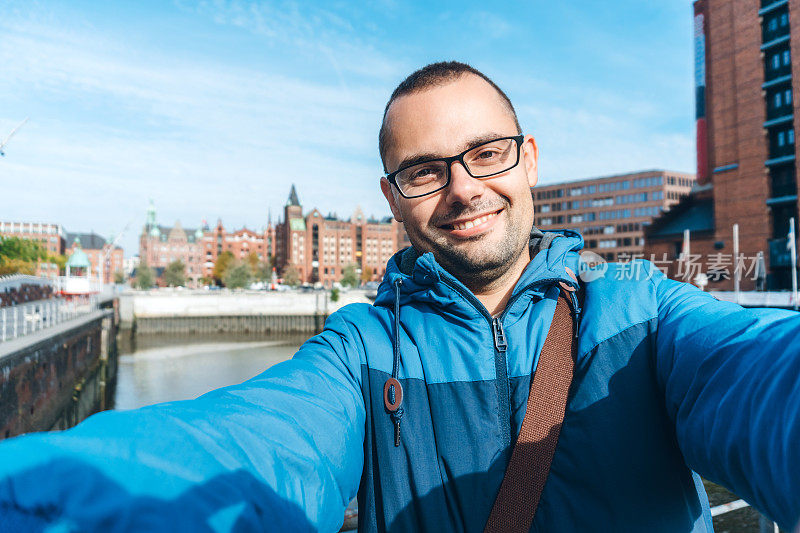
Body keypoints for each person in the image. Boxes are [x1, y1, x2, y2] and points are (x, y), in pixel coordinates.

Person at [1, 61, 800, 532]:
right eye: (425, 170)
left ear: (527, 160)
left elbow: (760, 381)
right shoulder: (361, 351)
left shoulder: (644, 311)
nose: (462, 188)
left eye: (485, 153)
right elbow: (251, 447)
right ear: (393, 198)